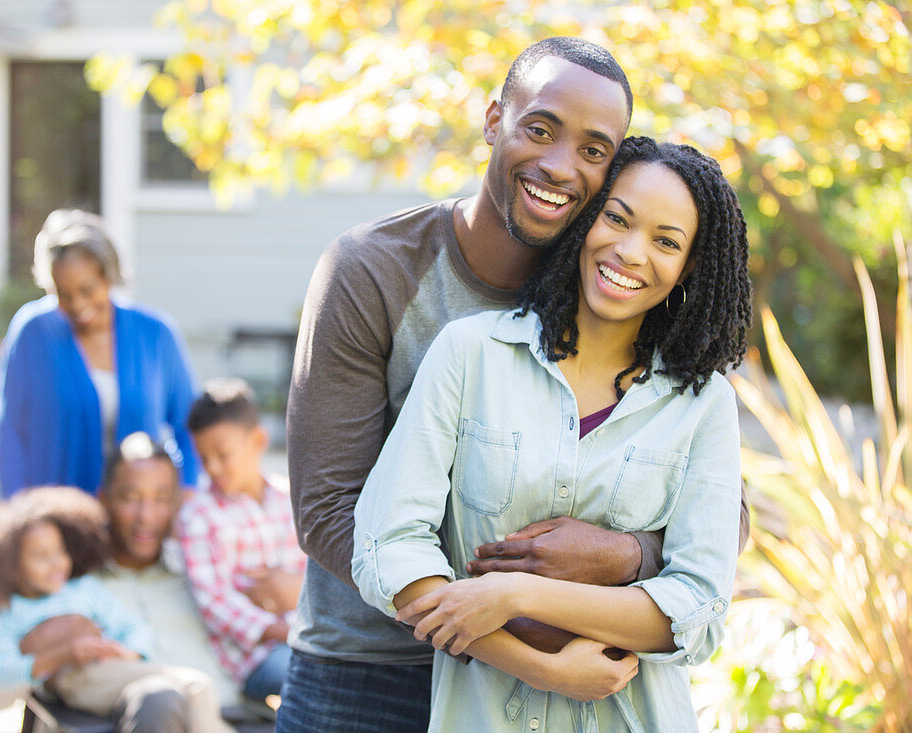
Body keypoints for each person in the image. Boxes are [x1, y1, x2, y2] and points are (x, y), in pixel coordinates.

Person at [281, 37, 693, 732]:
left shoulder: (619, 289)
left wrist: (629, 553)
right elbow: (327, 511)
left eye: (594, 150)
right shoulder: (372, 271)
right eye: (539, 129)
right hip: (370, 676)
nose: (560, 165)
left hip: (552, 692)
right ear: (494, 119)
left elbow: (718, 511)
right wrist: (509, 628)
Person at [353, 136, 752, 730]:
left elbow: (697, 608)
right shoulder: (472, 355)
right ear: (589, 219)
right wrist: (539, 667)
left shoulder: (703, 402)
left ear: (689, 266)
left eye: (666, 242)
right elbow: (389, 549)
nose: (631, 252)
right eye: (617, 219)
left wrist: (517, 595)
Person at [0, 433, 242, 729]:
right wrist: (39, 647)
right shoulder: (72, 591)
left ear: (177, 504)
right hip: (127, 716)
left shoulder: (204, 579)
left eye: (161, 499)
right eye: (130, 498)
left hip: (231, 716)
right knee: (159, 700)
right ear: (105, 501)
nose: (146, 516)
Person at [0, 208, 200, 498]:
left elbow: (189, 426)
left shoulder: (156, 334)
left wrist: (184, 494)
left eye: (87, 290)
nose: (77, 305)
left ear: (109, 276)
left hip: (136, 522)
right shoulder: (32, 333)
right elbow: (9, 432)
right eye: (62, 294)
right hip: (55, 515)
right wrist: (19, 509)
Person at [179, 379, 306, 707]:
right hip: (257, 660)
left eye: (223, 454)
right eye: (204, 458)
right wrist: (283, 630)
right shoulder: (198, 516)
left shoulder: (292, 498)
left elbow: (318, 573)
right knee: (311, 677)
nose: (213, 468)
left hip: (312, 638)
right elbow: (215, 602)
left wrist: (297, 589)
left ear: (258, 441)